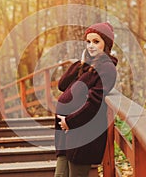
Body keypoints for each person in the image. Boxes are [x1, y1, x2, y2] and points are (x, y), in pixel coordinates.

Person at [54, 22, 118, 177]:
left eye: (96, 42)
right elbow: (62, 85)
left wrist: (70, 121)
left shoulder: (107, 68)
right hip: (67, 134)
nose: (91, 46)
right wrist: (80, 63)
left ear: (106, 44)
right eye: (88, 42)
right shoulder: (87, 66)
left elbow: (94, 102)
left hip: (82, 133)